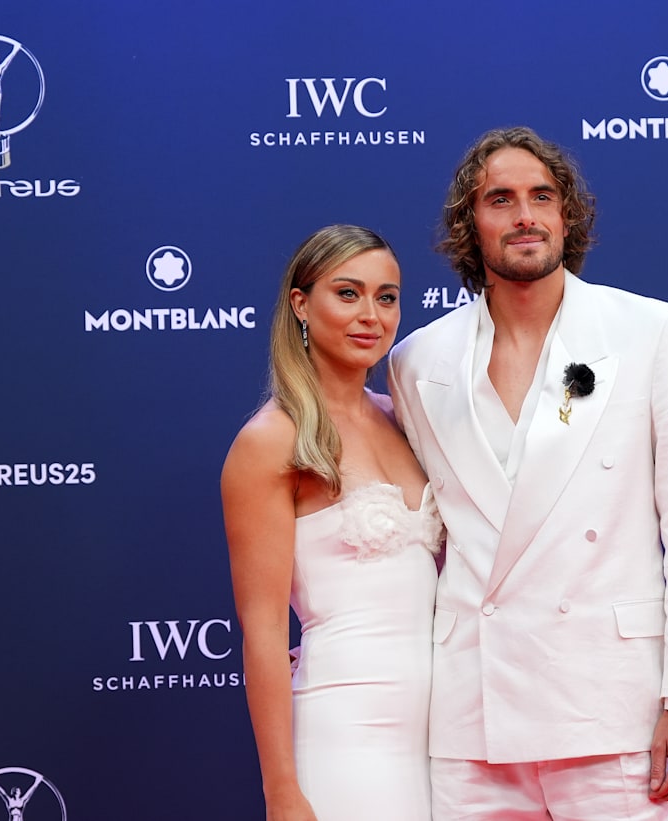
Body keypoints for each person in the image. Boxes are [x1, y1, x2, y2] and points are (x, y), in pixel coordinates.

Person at [388, 127, 668, 820]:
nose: (524, 216)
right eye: (500, 199)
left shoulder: (652, 332)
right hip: (470, 715)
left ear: (566, 216)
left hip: (609, 706)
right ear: (469, 223)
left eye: (542, 196)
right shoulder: (418, 360)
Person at [223, 224, 441, 821]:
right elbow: (264, 631)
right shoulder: (271, 441)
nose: (371, 314)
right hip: (347, 735)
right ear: (301, 303)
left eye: (387, 296)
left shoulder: (406, 420)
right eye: (348, 293)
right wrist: (282, 792)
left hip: (447, 742)